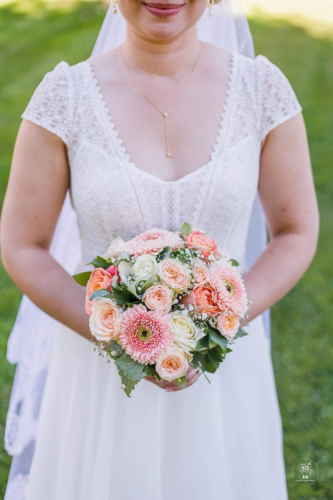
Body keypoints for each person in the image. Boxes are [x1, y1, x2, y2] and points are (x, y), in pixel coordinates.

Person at [0, 0, 319, 497]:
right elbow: (23, 245)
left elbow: (296, 231)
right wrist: (120, 334)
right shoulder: (64, 96)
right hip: (99, 375)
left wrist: (218, 322)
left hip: (223, 371)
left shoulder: (263, 90)